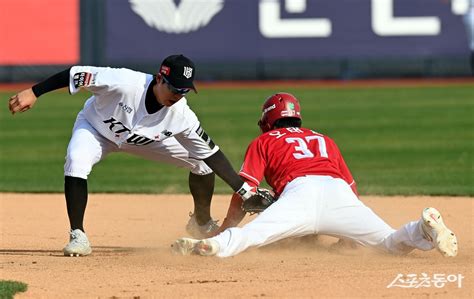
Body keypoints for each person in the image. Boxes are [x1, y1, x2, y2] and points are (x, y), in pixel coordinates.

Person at [8, 54, 258, 256]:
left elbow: (212, 154)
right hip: (96, 128)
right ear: (160, 78)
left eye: (184, 91)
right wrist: (34, 92)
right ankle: (78, 234)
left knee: (200, 162)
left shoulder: (182, 115)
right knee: (76, 160)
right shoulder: (123, 81)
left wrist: (244, 191)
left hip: (143, 141)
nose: (177, 95)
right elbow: (75, 73)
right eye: (173, 88)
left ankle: (201, 222)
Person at [172, 92, 458, 258]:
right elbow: (351, 187)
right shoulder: (324, 138)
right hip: (339, 194)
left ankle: (213, 244)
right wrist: (349, 231)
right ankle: (421, 229)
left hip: (300, 194)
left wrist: (224, 226)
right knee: (389, 244)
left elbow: (245, 190)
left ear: (267, 120)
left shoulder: (264, 141)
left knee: (253, 235)